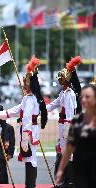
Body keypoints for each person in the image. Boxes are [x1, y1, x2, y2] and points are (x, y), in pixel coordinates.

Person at [0, 56, 48, 188]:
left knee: (31, 158)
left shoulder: (31, 99)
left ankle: (30, 185)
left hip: (29, 133)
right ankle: (29, 185)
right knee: (29, 158)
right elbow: (14, 110)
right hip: (29, 132)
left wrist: (25, 138)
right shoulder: (28, 98)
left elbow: (27, 120)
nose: (24, 84)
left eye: (25, 82)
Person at [46, 56, 82, 187]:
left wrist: (68, 130)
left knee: (69, 154)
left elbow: (71, 114)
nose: (60, 81)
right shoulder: (63, 93)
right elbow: (54, 104)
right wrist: (41, 110)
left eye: (61, 79)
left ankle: (69, 181)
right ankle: (64, 180)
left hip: (67, 126)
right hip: (62, 126)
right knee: (62, 152)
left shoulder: (70, 94)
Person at [55, 84, 96, 188]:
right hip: (80, 169)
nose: (84, 100)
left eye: (88, 97)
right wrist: (60, 170)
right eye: (82, 97)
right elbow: (69, 148)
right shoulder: (77, 120)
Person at [0, 105, 15, 184]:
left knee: (2, 170)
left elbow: (12, 142)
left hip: (2, 152)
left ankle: (3, 184)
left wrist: (10, 153)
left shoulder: (9, 128)